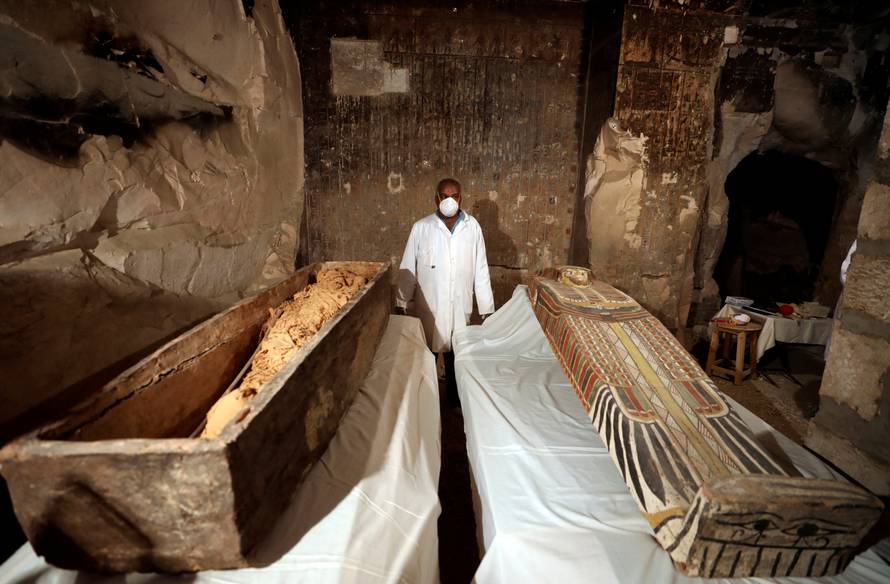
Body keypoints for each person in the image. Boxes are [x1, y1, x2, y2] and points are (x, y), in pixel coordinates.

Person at [395, 178, 495, 407]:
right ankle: (426, 405)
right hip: (430, 306)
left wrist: (487, 308)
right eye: (445, 195)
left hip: (459, 305)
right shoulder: (422, 227)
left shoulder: (473, 227)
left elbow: (480, 268)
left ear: (461, 198)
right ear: (436, 198)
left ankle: (454, 404)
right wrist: (402, 300)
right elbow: (408, 265)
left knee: (456, 358)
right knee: (426, 357)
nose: (450, 200)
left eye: (455, 195)